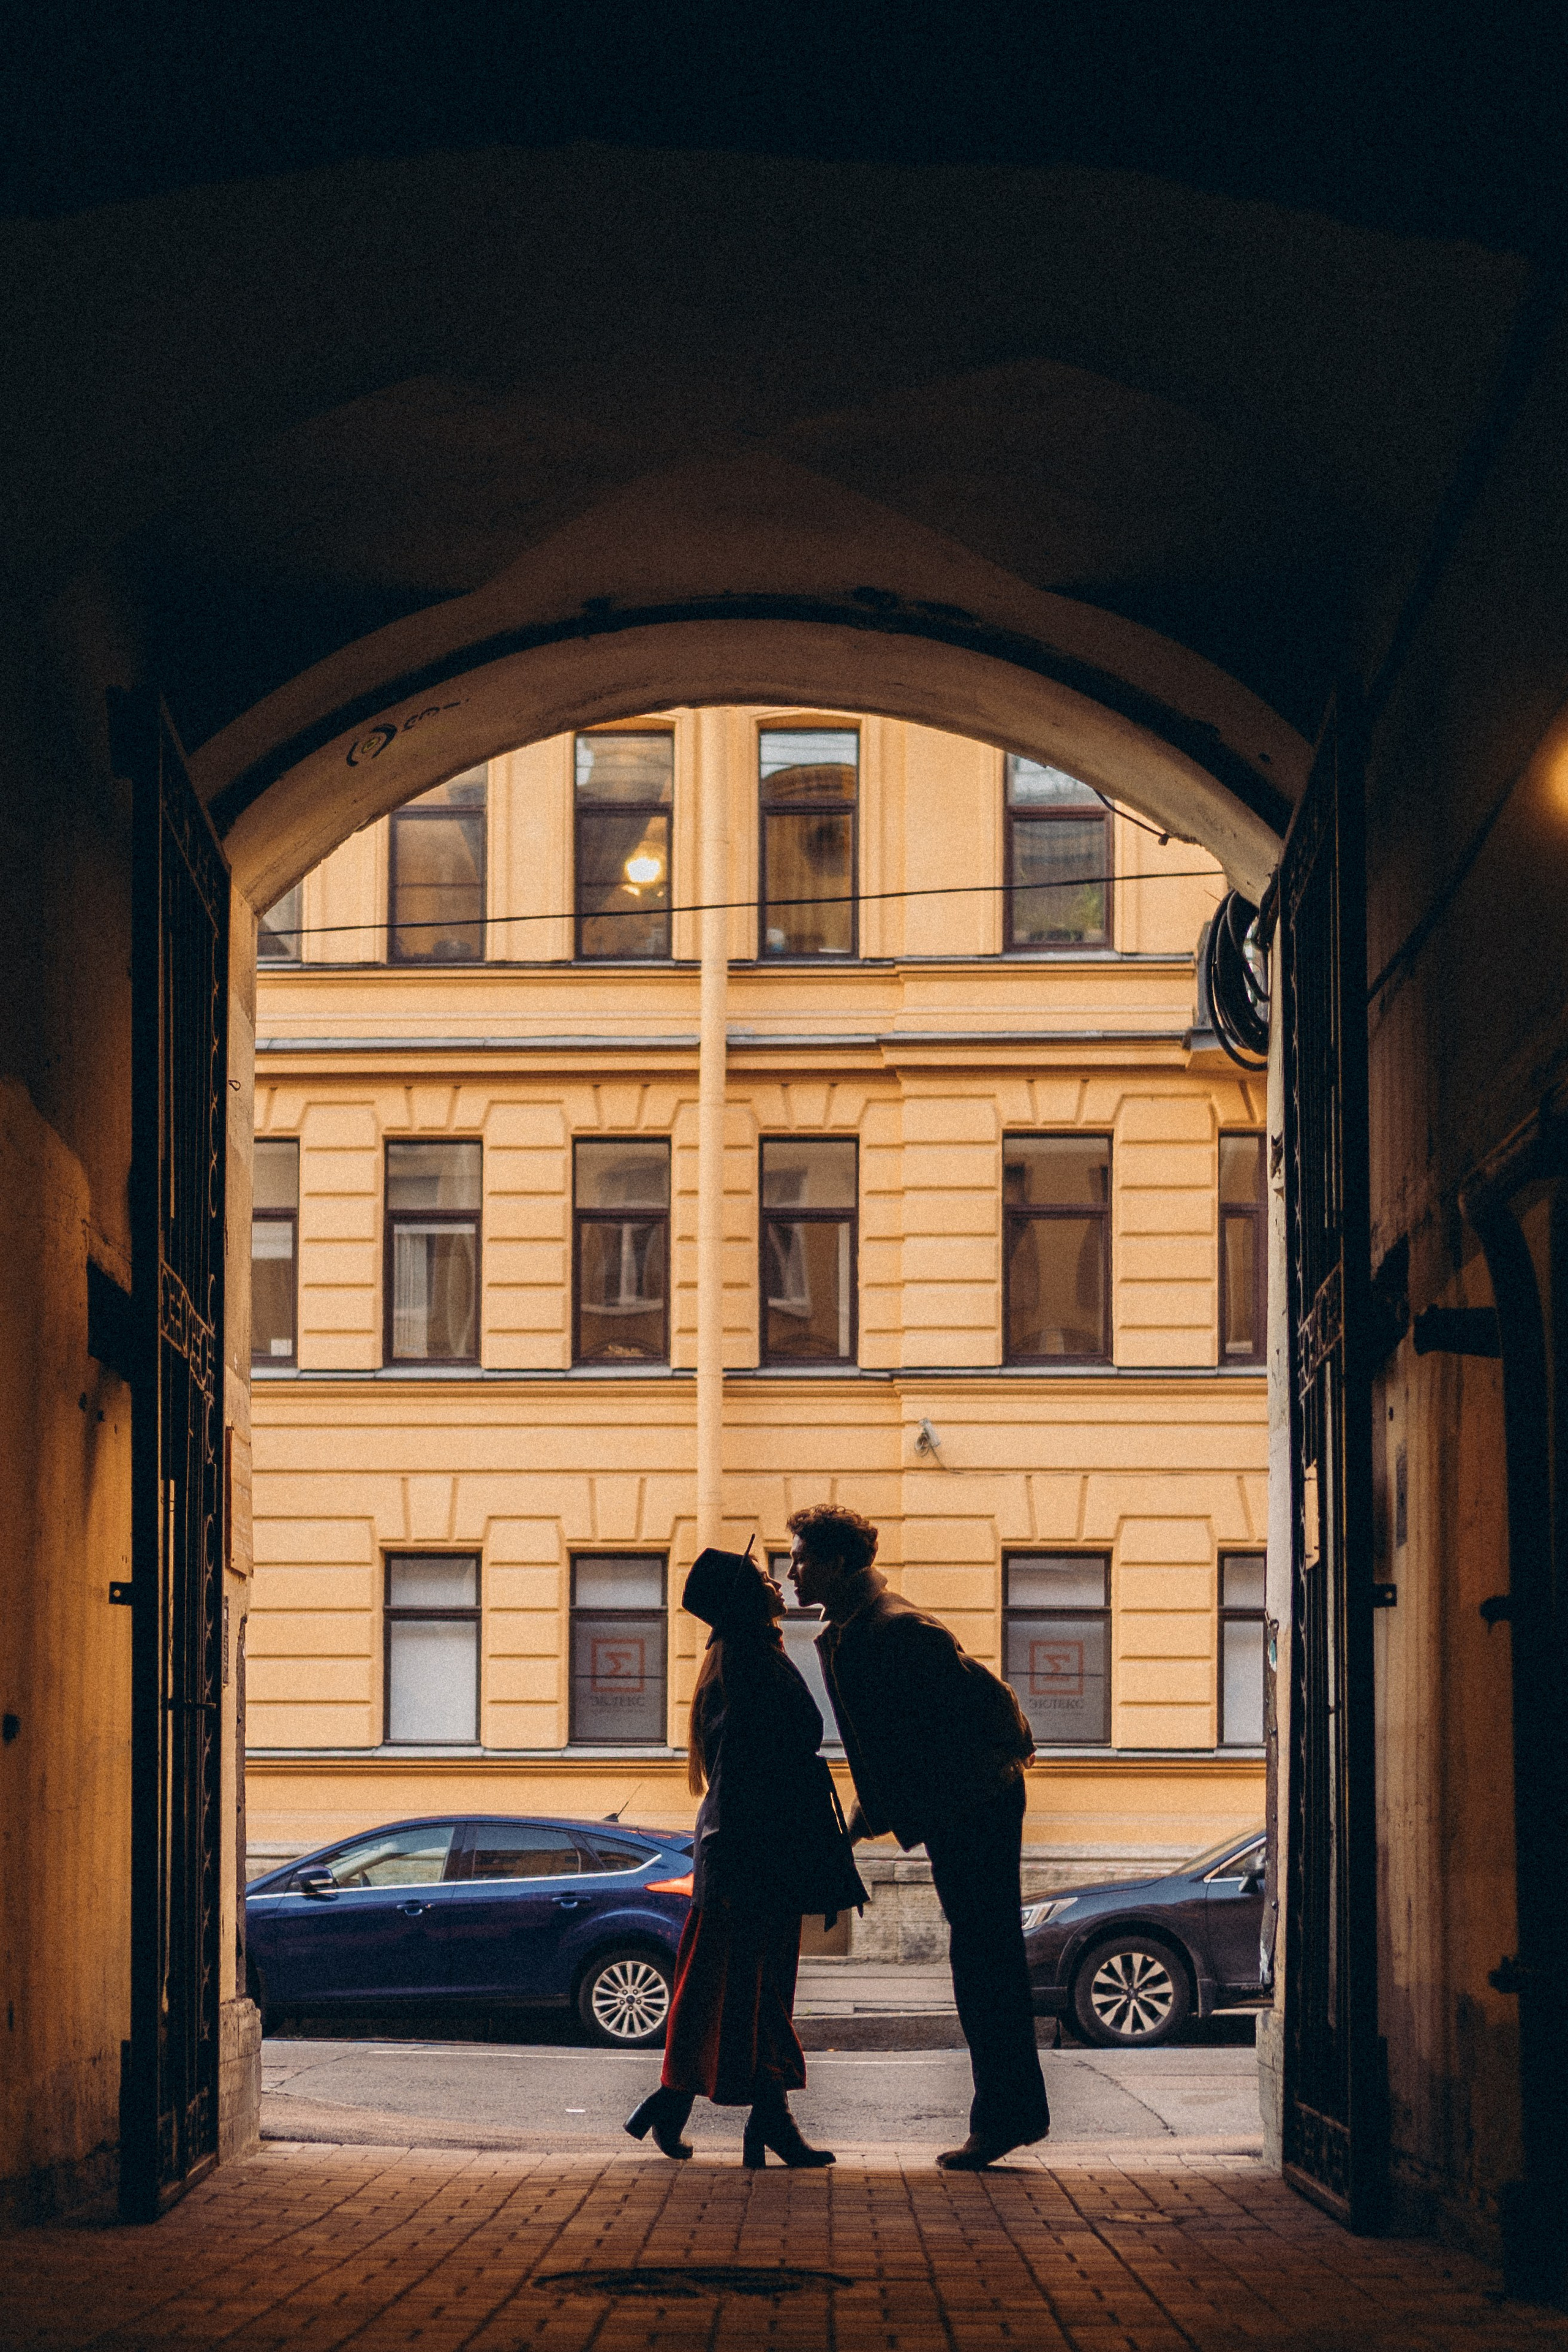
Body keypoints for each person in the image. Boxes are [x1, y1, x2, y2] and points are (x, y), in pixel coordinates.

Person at [786, 1503, 1050, 2170]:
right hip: (957, 1806)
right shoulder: (856, 1627)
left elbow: (984, 1710)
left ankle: (1006, 2117)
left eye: (802, 1557)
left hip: (975, 1806)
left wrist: (878, 1816)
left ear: (838, 1563)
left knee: (985, 1961)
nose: (791, 1571)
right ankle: (1007, 2115)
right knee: (981, 1958)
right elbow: (897, 1749)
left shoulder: (897, 1629)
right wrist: (863, 1821)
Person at [625, 1542, 867, 2167]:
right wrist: (739, 1864)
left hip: (751, 1856)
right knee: (752, 1994)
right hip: (752, 1859)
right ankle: (760, 2120)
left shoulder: (745, 1656)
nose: (776, 1582)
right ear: (740, 1598)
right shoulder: (751, 1662)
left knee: (738, 1993)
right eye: (762, 1577)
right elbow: (744, 1775)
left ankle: (691, 2104)